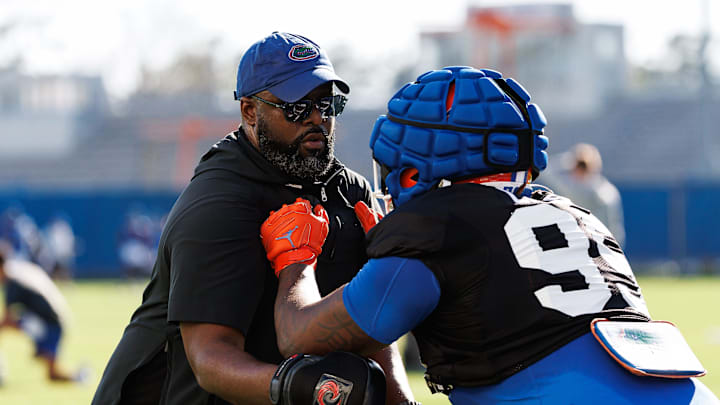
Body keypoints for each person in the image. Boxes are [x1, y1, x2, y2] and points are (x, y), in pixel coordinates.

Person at [260, 66, 720, 404]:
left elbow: (298, 337)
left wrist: (295, 260)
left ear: (412, 168)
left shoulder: (437, 230)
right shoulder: (575, 214)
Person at [92, 32, 414, 405]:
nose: (315, 118)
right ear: (249, 111)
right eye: (296, 106)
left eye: (326, 104)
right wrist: (300, 387)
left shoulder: (348, 192)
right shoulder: (219, 204)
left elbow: (367, 332)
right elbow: (210, 359)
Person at [0, 242, 74, 382]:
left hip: (51, 323)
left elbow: (7, 319)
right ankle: (41, 348)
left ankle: (78, 376)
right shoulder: (18, 269)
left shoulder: (12, 281)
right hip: (56, 318)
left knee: (53, 374)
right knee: (52, 374)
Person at [540, 143, 625, 245]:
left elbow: (547, 169)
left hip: (586, 242)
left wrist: (567, 159)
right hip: (599, 243)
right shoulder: (608, 190)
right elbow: (615, 229)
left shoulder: (574, 189)